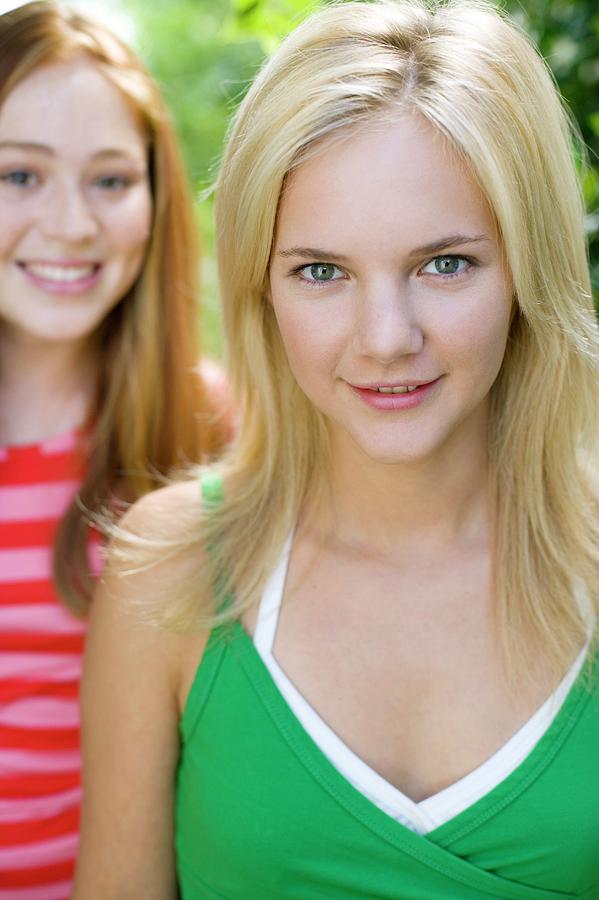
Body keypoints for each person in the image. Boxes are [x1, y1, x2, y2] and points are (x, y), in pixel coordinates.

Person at [73, 0, 599, 896]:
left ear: (528, 268)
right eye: (321, 271)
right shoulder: (170, 569)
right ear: (261, 290)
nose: (386, 337)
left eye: (445, 263)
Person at [0, 1, 232, 897]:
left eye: (108, 181)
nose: (71, 225)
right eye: (19, 176)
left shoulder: (208, 427)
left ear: (154, 197)